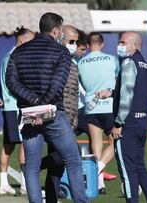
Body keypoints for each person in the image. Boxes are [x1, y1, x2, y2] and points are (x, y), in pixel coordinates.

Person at [5, 12, 89, 203]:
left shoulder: (18, 52)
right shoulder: (61, 52)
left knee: (32, 167)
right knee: (73, 160)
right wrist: (42, 106)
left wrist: (33, 103)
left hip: (28, 114)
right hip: (53, 114)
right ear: (56, 30)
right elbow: (58, 85)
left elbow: (11, 82)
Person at [111, 31, 147, 203]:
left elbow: (127, 95)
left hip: (128, 123)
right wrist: (110, 93)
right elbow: (134, 90)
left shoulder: (128, 63)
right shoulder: (143, 64)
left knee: (127, 170)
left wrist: (118, 123)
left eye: (123, 42)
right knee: (139, 168)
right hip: (141, 122)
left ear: (135, 45)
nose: (120, 46)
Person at [41, 24, 80, 203]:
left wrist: (74, 120)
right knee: (68, 157)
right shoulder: (56, 60)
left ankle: (51, 198)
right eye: (71, 41)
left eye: (76, 42)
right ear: (60, 39)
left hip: (69, 120)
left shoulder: (73, 64)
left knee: (58, 166)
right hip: (58, 119)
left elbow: (74, 95)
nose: (74, 45)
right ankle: (35, 166)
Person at [78, 32, 119, 194]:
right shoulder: (111, 59)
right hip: (109, 106)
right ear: (102, 44)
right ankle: (97, 171)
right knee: (115, 144)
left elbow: (82, 84)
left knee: (96, 144)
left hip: (90, 106)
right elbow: (117, 80)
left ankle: (99, 182)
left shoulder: (81, 63)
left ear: (88, 45)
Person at [0, 26, 34, 195]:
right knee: (24, 144)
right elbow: (15, 83)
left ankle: (4, 184)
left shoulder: (9, 56)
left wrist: (0, 96)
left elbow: (3, 82)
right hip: (16, 107)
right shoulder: (14, 57)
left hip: (10, 107)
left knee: (9, 145)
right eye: (30, 41)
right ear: (21, 41)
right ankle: (25, 184)